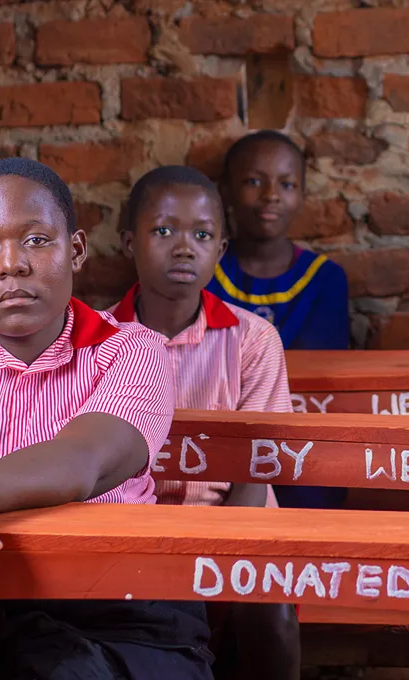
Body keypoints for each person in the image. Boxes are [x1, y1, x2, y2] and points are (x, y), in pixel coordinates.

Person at [0, 158, 213, 679]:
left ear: (76, 249)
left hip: (124, 606)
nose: (11, 265)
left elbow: (84, 459)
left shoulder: (133, 350)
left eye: (36, 241)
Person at [109, 165, 300, 680]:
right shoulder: (99, 341)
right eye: (164, 231)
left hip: (238, 520)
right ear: (129, 242)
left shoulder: (251, 339)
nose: (184, 247)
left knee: (268, 606)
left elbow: (255, 470)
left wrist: (211, 559)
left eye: (202, 234)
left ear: (220, 249)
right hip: (133, 526)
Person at [207, 131, 349, 511]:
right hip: (221, 445)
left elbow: (312, 369)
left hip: (304, 445)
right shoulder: (202, 273)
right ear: (226, 191)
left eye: (287, 184)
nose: (271, 195)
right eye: (254, 181)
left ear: (302, 194)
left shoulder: (324, 278)